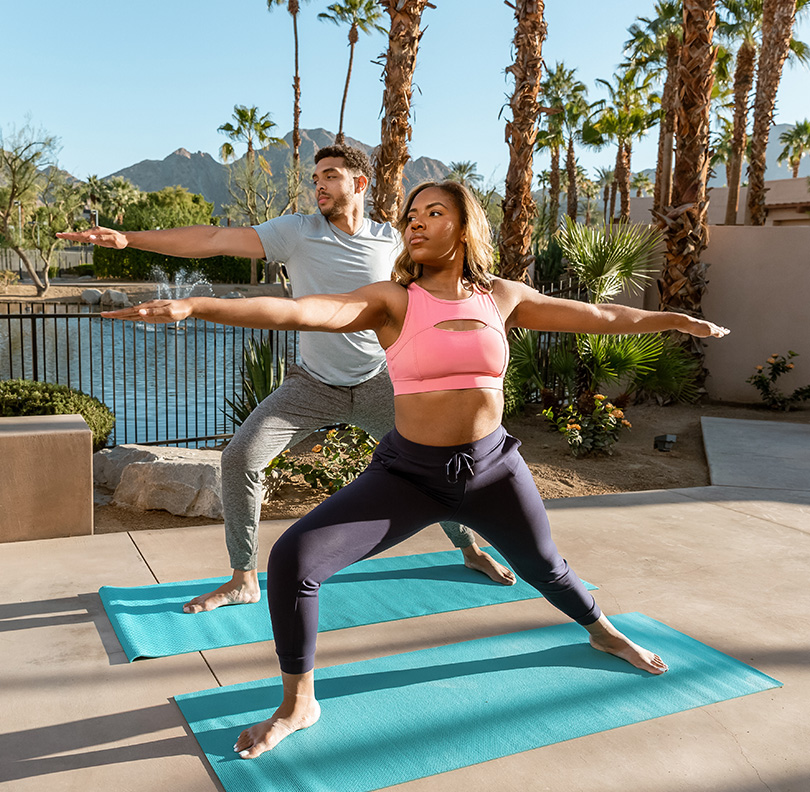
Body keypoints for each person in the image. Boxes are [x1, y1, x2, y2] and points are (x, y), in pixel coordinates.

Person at [102, 179, 729, 760]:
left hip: (492, 469)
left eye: (434, 213)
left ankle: (602, 631)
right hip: (409, 473)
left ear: (464, 226)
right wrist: (200, 308)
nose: (417, 224)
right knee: (293, 559)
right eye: (411, 217)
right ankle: (299, 704)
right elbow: (303, 311)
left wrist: (669, 319)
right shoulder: (392, 300)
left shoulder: (502, 296)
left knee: (548, 569)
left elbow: (596, 315)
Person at [58, 146, 515, 615]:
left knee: (436, 462)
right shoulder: (297, 232)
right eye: (315, 177)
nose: (318, 185)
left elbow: (451, 282)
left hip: (381, 381)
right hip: (313, 384)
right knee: (239, 457)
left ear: (359, 185)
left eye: (330, 176)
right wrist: (129, 240)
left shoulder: (392, 241)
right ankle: (243, 578)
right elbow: (214, 237)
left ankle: (469, 549)